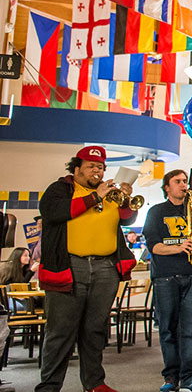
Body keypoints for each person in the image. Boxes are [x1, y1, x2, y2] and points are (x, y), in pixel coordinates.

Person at [37, 145, 137, 392]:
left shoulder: (108, 193)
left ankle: (94, 383)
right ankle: (49, 386)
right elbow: (53, 212)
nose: (97, 171)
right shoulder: (61, 189)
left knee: (95, 330)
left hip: (105, 268)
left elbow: (127, 218)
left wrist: (125, 198)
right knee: (60, 332)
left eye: (101, 167)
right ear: (76, 168)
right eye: (92, 166)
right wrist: (96, 197)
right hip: (70, 267)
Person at [144, 170, 192, 392]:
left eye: (185, 181)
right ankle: (170, 377)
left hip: (191, 274)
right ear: (167, 188)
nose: (184, 185)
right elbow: (153, 246)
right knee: (168, 328)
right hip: (165, 276)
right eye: (178, 182)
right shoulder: (156, 211)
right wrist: (178, 247)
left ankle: (190, 377)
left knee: (190, 328)